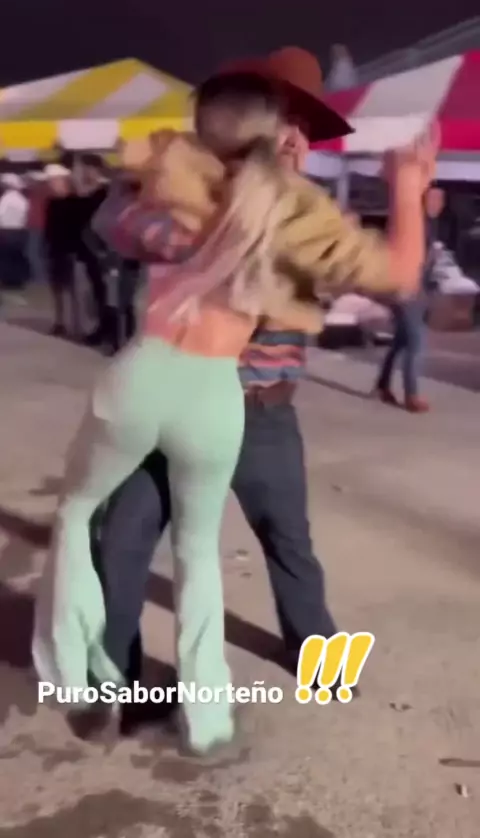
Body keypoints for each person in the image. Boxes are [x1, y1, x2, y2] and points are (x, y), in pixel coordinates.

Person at [87, 46, 436, 734]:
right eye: (284, 121)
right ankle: (118, 683)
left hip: (262, 414)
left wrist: (392, 201)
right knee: (122, 540)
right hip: (170, 409)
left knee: (288, 543)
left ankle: (319, 659)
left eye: (304, 126)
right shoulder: (184, 192)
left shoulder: (304, 216)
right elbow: (111, 224)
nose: (294, 138)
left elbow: (384, 277)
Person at [375, 185, 444, 412]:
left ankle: (382, 385)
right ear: (422, 201)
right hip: (408, 290)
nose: (437, 204)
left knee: (401, 341)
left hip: (417, 290)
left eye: (440, 200)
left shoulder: (430, 226)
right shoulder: (415, 225)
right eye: (432, 199)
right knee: (417, 342)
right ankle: (411, 395)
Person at [74, 154, 110, 347]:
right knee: (98, 293)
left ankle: (110, 331)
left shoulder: (105, 193)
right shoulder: (86, 195)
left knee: (108, 294)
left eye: (86, 169)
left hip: (103, 251)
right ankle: (102, 329)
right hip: (88, 250)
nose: (84, 173)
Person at [43, 165, 80, 338]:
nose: (51, 184)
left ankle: (76, 323)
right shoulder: (52, 202)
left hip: (71, 250)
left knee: (74, 288)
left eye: (53, 181)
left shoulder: (75, 201)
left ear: (63, 181)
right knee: (57, 287)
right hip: (55, 249)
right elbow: (49, 226)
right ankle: (60, 321)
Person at [0, 173, 30, 290]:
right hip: (20, 231)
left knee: (6, 257)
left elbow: (1, 214)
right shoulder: (22, 199)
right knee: (17, 257)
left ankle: (8, 281)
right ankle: (18, 281)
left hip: (7, 231)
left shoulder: (6, 198)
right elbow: (26, 214)